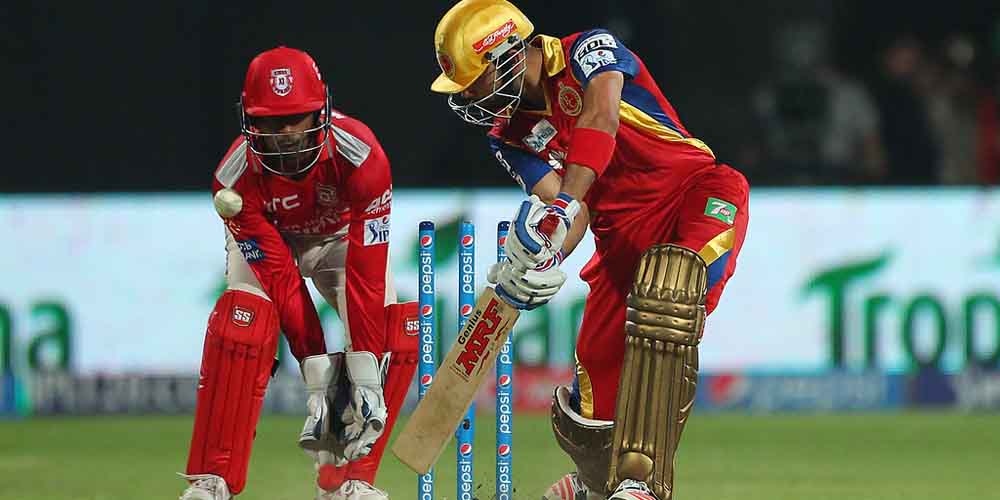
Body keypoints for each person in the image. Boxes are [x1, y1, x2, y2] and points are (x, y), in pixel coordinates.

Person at [430, 2, 750, 499]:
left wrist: (562, 206)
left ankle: (644, 482)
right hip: (618, 245)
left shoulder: (588, 51)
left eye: (473, 81)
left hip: (695, 198)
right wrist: (543, 254)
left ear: (506, 52)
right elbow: (570, 215)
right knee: (594, 386)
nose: (469, 96)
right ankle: (597, 486)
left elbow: (601, 118)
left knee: (669, 302)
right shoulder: (508, 137)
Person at [178, 46, 418, 500]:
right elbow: (281, 279)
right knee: (242, 322)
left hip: (341, 239)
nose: (286, 133)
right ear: (249, 120)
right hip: (275, 240)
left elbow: (365, 276)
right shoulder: (233, 180)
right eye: (271, 122)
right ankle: (212, 479)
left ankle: (350, 482)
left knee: (395, 330)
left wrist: (366, 373)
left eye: (296, 118)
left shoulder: (363, 156)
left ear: (320, 110)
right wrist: (314, 367)